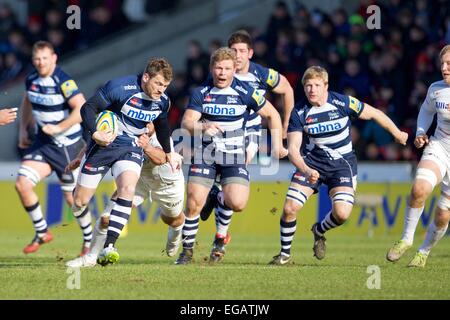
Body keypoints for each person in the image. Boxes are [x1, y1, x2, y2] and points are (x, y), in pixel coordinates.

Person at [269, 66, 408, 265]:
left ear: (326, 86)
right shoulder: (299, 112)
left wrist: (397, 133)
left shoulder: (341, 102)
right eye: (308, 86)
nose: (312, 90)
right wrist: (307, 170)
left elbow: (375, 113)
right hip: (311, 163)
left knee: (342, 214)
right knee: (290, 207)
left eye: (317, 85)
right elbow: (293, 149)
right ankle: (284, 254)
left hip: (342, 165)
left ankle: (319, 230)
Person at [175, 47, 288, 265]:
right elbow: (186, 123)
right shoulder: (201, 92)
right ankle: (187, 252)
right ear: (212, 68)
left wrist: (278, 145)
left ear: (234, 69)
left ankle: (218, 209)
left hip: (234, 155)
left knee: (237, 203)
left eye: (227, 68)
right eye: (218, 68)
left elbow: (272, 114)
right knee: (193, 203)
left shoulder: (246, 91)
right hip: (206, 153)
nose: (222, 73)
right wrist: (202, 126)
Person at [73, 57, 178, 266]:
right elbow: (87, 108)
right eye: (158, 83)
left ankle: (109, 247)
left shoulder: (163, 101)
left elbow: (163, 125)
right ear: (146, 77)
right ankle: (93, 245)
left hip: (131, 146)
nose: (161, 90)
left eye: (165, 86)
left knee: (127, 189)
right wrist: (95, 133)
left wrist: (169, 152)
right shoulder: (120, 87)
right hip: (105, 143)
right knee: (79, 201)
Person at [200, 30, 295, 242]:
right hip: (223, 131)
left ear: (250, 53)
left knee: (236, 175)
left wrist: (287, 121)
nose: (238, 55)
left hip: (251, 132)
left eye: (242, 51)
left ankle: (219, 217)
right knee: (227, 186)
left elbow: (287, 88)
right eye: (233, 50)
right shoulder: (218, 75)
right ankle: (221, 231)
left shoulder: (261, 74)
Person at [65, 123, 185, 268]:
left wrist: (146, 147)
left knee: (173, 219)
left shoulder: (160, 136)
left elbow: (161, 159)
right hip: (139, 181)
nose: (146, 124)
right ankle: (90, 258)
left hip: (167, 184)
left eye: (150, 121)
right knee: (105, 219)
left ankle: (176, 233)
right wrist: (79, 158)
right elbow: (100, 138)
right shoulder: (126, 127)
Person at [15, 41, 92, 255]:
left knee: (73, 199)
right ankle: (42, 231)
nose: (41, 63)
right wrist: (23, 128)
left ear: (54, 58)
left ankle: (88, 238)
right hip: (43, 143)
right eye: (37, 59)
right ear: (33, 60)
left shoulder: (63, 81)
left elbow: (81, 108)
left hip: (68, 146)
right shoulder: (31, 79)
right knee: (22, 184)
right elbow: (27, 101)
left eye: (45, 58)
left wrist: (59, 128)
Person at [387, 45, 450, 267]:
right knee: (418, 189)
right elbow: (426, 111)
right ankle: (405, 240)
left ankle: (423, 252)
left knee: (443, 215)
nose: (444, 67)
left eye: (449, 64)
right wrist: (421, 133)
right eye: (442, 63)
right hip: (440, 147)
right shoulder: (436, 89)